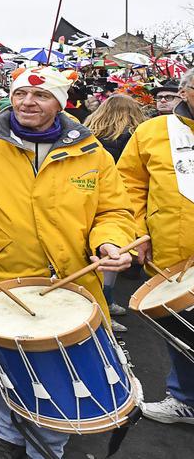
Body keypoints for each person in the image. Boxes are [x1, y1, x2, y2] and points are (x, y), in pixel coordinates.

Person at [0, 66, 134, 459]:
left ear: (60, 103)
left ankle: (50, 445)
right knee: (3, 365)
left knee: (61, 370)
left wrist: (111, 242)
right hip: (1, 275)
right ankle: (7, 435)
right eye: (21, 93)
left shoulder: (90, 151)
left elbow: (114, 210)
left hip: (71, 281)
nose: (28, 102)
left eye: (41, 96)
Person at [117, 69, 194, 424]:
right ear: (185, 91)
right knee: (180, 332)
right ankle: (185, 400)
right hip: (172, 255)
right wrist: (137, 231)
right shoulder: (152, 131)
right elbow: (127, 185)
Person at [84, 93, 147, 328]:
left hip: (88, 196)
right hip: (118, 199)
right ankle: (104, 305)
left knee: (93, 254)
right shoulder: (134, 136)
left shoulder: (89, 132)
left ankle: (99, 305)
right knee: (111, 254)